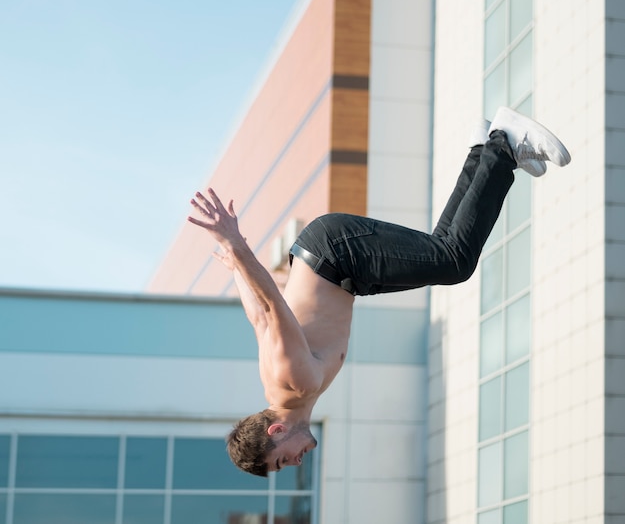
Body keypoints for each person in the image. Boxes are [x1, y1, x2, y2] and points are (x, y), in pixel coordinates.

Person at [187, 106, 570, 476]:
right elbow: (257, 318)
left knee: (454, 261)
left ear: (277, 431)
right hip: (347, 274)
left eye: (283, 460)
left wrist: (236, 245)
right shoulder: (284, 388)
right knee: (445, 254)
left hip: (336, 254)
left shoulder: (293, 379)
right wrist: (234, 265)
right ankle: (484, 149)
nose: (297, 462)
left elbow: (271, 306)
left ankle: (503, 145)